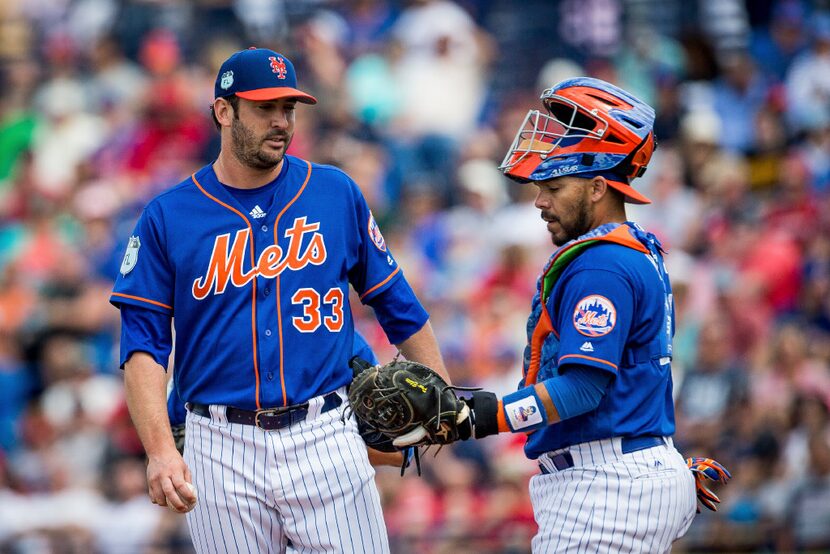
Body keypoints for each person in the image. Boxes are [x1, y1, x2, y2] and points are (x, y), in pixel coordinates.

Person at [111, 47, 448, 553]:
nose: (281, 122)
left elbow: (398, 305)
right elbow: (143, 348)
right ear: (224, 111)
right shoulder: (168, 215)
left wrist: (440, 396)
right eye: (264, 108)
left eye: (288, 108)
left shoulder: (333, 193)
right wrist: (160, 451)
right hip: (218, 442)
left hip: (326, 432)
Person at [411, 77, 698, 552]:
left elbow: (585, 387)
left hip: (605, 486)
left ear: (599, 187)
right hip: (621, 472)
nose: (540, 201)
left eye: (554, 187)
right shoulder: (627, 251)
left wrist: (477, 417)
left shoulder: (603, 263)